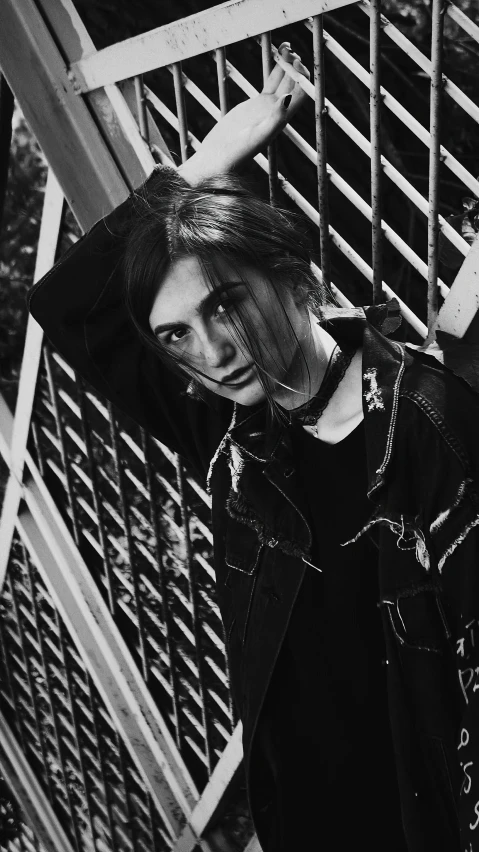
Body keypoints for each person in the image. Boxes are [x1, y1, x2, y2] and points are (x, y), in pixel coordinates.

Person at [27, 43, 479, 852]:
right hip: (304, 808)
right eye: (177, 336)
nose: (212, 350)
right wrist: (192, 174)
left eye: (226, 304)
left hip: (421, 810)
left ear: (296, 279)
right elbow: (65, 306)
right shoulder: (230, 432)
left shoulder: (422, 422)